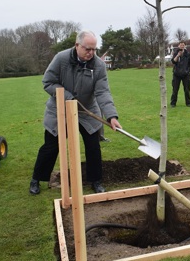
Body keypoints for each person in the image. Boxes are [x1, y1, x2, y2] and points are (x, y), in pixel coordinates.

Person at [29, 30, 122, 195]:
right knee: (51, 146)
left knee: (93, 147)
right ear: (77, 45)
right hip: (60, 109)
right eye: (88, 49)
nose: (91, 53)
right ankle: (37, 178)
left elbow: (103, 92)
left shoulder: (98, 65)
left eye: (94, 49)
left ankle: (96, 180)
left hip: (87, 111)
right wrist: (68, 97)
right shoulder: (61, 59)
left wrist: (111, 116)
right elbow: (48, 82)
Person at [170, 41, 190, 107]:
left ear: (185, 46)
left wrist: (189, 71)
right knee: (175, 89)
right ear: (178, 46)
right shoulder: (175, 53)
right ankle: (173, 103)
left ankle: (188, 103)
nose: (182, 46)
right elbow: (173, 61)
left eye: (183, 45)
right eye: (181, 45)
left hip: (185, 74)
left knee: (187, 89)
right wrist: (178, 55)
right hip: (176, 74)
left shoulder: (187, 54)